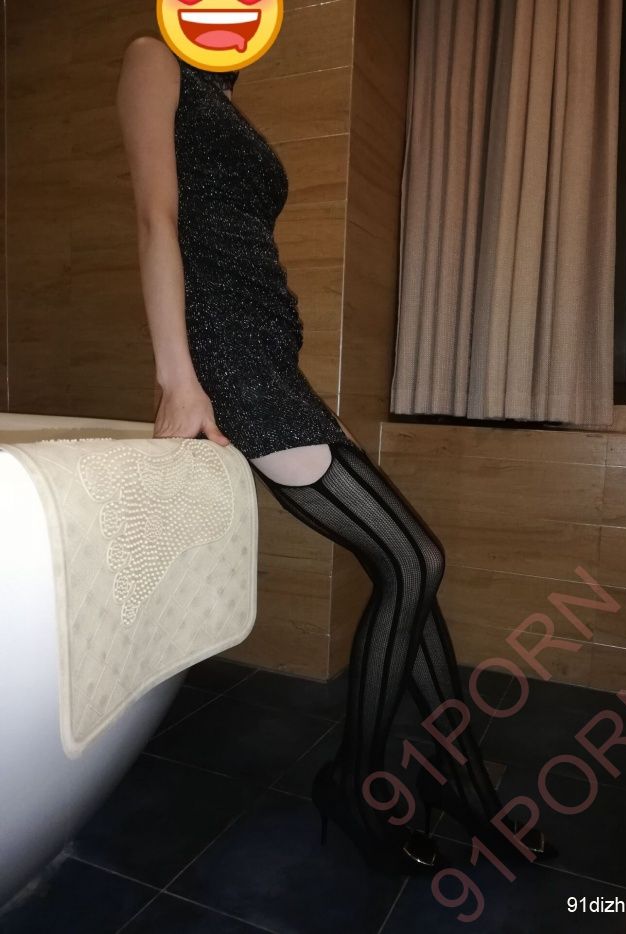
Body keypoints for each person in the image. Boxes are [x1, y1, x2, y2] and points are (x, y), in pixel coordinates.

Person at [116, 34, 552, 875]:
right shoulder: (152, 59)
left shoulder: (222, 96)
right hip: (230, 361)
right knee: (414, 559)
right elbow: (153, 218)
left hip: (268, 358)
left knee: (406, 569)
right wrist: (178, 380)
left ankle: (458, 781)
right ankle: (360, 784)